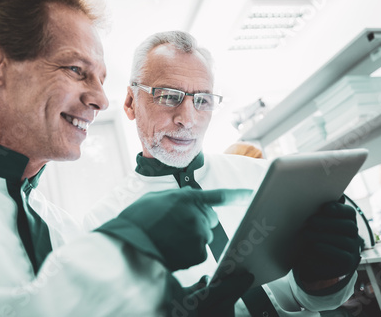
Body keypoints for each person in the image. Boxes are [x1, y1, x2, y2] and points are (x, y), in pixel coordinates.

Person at [0, 0, 253, 316]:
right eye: (76, 70)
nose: (101, 100)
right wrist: (118, 250)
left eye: (101, 79)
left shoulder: (63, 231)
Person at [84, 31, 363, 317]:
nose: (188, 119)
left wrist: (325, 279)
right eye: (168, 96)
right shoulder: (103, 225)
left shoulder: (266, 179)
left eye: (202, 100)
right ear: (131, 102)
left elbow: (317, 300)